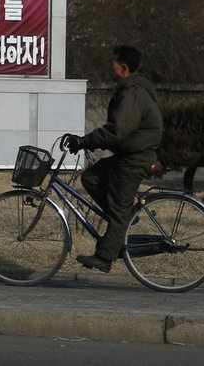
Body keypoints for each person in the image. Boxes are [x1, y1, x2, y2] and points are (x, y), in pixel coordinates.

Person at [63, 44, 163, 273]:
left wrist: (85, 141)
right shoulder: (131, 88)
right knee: (92, 177)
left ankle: (105, 257)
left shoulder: (132, 92)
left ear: (124, 68)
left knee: (119, 209)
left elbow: (118, 130)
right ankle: (124, 223)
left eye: (113, 64)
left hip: (135, 158)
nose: (111, 67)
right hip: (129, 154)